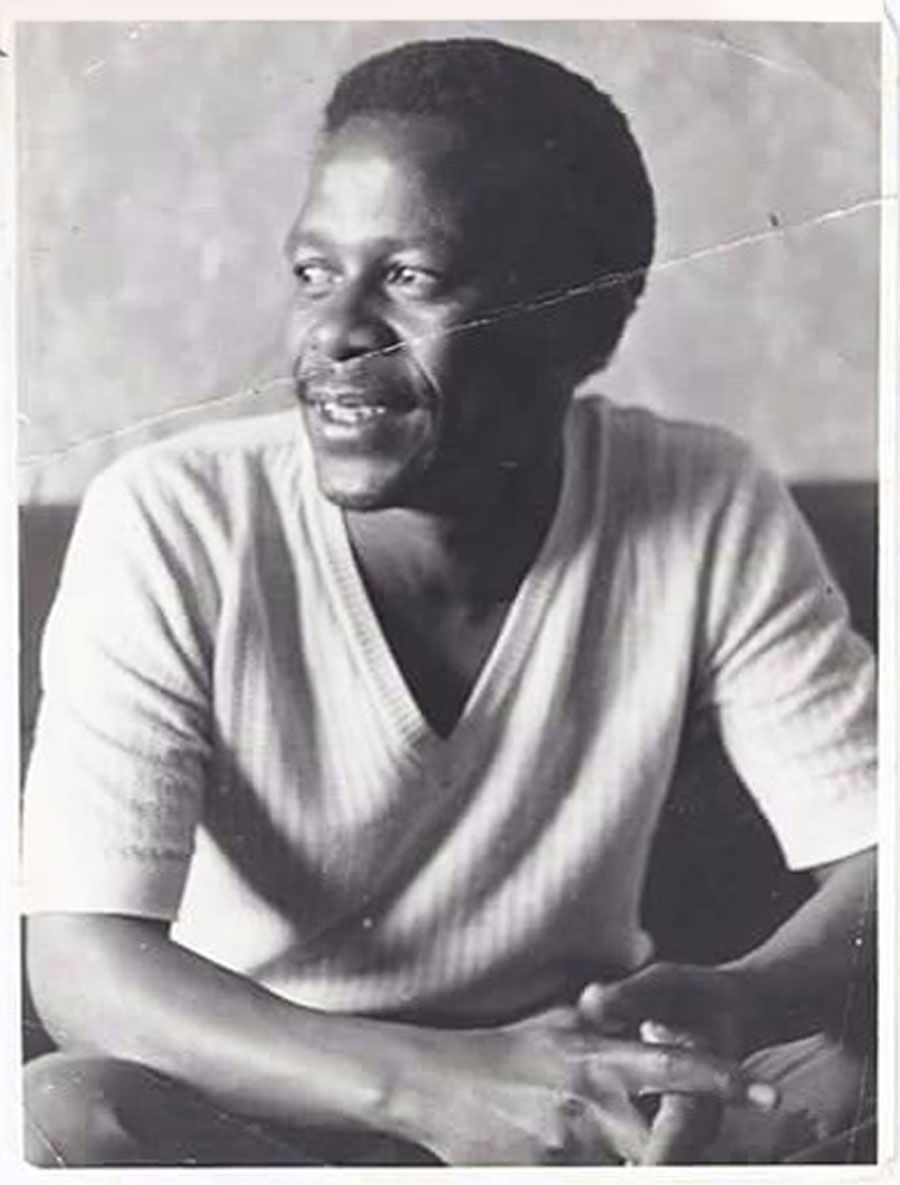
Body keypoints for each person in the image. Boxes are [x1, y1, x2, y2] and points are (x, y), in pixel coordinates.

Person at [21, 38, 876, 1167]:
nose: (334, 333)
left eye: (411, 278)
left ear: (585, 321)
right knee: (59, 1110)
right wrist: (433, 1088)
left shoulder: (700, 497)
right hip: (273, 1093)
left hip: (580, 1095)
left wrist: (748, 997)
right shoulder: (173, 516)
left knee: (860, 1061)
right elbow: (81, 965)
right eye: (314, 272)